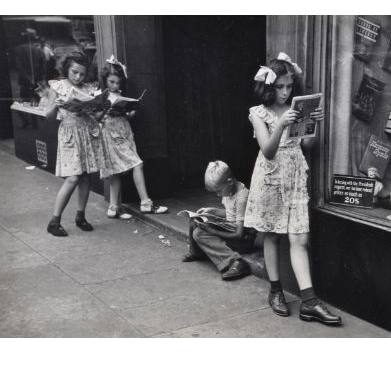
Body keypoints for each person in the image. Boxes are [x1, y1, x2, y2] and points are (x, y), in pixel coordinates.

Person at [244, 52, 341, 325]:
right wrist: (282, 125)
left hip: (296, 174)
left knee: (300, 238)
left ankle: (309, 302)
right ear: (268, 87)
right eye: (279, 87)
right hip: (271, 175)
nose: (285, 92)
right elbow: (268, 150)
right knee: (272, 235)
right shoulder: (258, 113)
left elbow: (306, 147)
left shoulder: (295, 108)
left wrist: (313, 124)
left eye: (289, 86)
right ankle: (275, 291)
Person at [45, 52, 106, 236]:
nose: (78, 77)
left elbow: (95, 117)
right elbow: (48, 115)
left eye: (82, 73)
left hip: (86, 133)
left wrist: (103, 109)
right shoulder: (57, 87)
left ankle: (80, 216)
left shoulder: (88, 88)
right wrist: (56, 104)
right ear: (66, 69)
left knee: (86, 177)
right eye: (74, 72)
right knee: (72, 178)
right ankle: (54, 221)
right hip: (69, 135)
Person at [99, 55, 168, 218]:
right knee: (136, 164)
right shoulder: (101, 96)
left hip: (124, 132)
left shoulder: (120, 95)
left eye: (118, 82)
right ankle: (146, 203)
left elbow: (127, 116)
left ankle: (113, 207)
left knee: (117, 170)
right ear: (105, 81)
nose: (115, 86)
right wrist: (105, 110)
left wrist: (132, 110)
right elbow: (97, 118)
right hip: (111, 134)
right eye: (112, 82)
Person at [182, 161, 255, 281]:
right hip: (231, 229)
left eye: (218, 191)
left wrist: (212, 230)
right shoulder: (229, 190)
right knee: (195, 220)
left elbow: (238, 234)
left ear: (229, 182)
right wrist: (211, 211)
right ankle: (197, 253)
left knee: (199, 233)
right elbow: (230, 214)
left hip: (243, 239)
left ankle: (236, 262)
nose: (217, 194)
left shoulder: (242, 198)